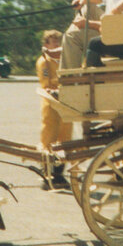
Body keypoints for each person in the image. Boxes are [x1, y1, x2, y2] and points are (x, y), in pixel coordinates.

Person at [36, 29, 70, 189]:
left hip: (65, 103)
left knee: (65, 137)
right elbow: (46, 83)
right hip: (51, 104)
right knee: (49, 136)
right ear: (46, 44)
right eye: (52, 41)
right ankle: (46, 176)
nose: (56, 43)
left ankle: (59, 174)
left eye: (57, 40)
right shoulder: (44, 62)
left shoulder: (66, 59)